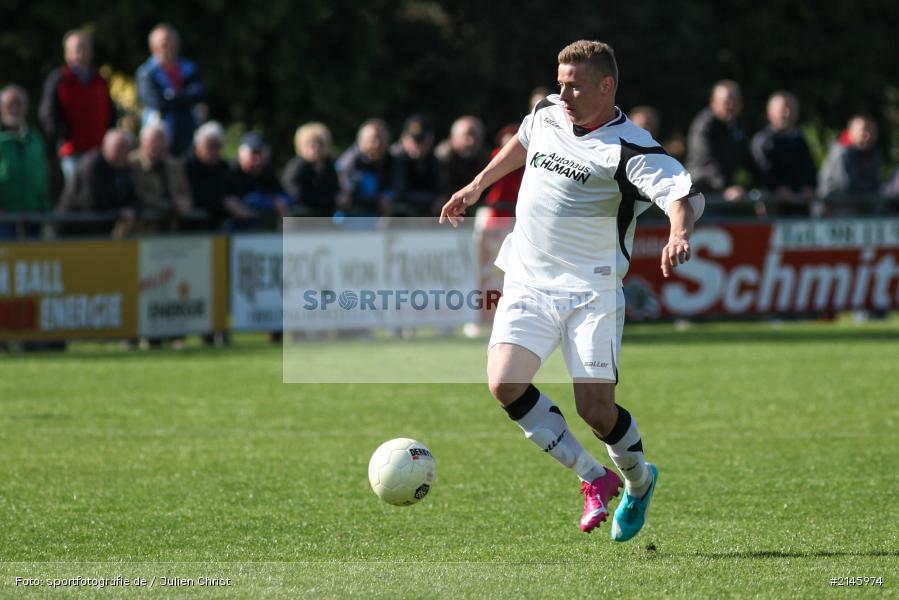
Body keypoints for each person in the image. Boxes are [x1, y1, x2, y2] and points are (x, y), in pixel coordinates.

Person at [439, 40, 704, 542]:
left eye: (575, 86)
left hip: (591, 292)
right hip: (528, 278)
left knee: (595, 410)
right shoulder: (547, 112)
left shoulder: (630, 148)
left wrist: (678, 233)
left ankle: (639, 481)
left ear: (606, 86)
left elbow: (681, 195)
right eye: (560, 83)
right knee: (504, 383)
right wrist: (476, 186)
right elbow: (523, 141)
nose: (563, 95)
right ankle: (593, 477)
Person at [39, 30, 116, 184]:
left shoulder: (99, 80)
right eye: (77, 49)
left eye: (85, 48)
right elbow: (47, 113)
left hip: (98, 150)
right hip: (72, 151)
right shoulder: (59, 79)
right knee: (77, 190)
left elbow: (110, 111)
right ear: (67, 53)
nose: (81, 53)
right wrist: (62, 135)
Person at [136, 24, 205, 156]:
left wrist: (171, 96)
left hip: (187, 132)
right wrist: (182, 97)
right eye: (164, 44)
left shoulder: (190, 68)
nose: (169, 48)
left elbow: (198, 93)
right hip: (158, 137)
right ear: (153, 47)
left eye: (173, 43)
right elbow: (155, 101)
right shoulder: (146, 72)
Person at [57, 128, 138, 237]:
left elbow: (133, 197)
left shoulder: (124, 168)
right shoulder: (92, 165)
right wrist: (119, 212)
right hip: (72, 232)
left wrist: (132, 209)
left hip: (99, 232)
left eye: (126, 148)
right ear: (105, 146)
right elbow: (91, 202)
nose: (123, 152)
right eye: (118, 147)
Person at [750, 92, 817, 216]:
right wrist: (777, 188)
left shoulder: (800, 139)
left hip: (800, 206)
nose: (787, 113)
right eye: (783, 109)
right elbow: (761, 171)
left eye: (791, 109)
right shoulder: (763, 140)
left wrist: (809, 187)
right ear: (770, 112)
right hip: (773, 207)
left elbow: (810, 168)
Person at [0, 85, 51, 239]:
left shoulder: (35, 139)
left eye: (19, 104)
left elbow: (43, 175)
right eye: (10, 104)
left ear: (26, 108)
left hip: (33, 218)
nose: (14, 109)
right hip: (4, 219)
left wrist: (44, 208)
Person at [686, 80, 749, 202]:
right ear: (714, 102)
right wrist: (725, 187)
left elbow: (747, 159)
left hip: (728, 193)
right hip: (701, 193)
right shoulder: (704, 125)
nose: (731, 105)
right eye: (727, 101)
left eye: (736, 101)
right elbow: (705, 161)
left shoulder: (738, 126)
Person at [130, 122, 193, 232]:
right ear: (142, 142)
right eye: (153, 141)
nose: (157, 144)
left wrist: (185, 202)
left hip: (171, 228)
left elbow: (186, 192)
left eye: (161, 140)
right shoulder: (132, 164)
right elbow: (138, 195)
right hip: (141, 228)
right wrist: (169, 206)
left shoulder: (175, 164)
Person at [818, 115, 881, 214]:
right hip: (835, 213)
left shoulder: (871, 154)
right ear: (851, 131)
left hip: (856, 211)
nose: (868, 136)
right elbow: (846, 186)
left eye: (872, 131)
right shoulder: (842, 152)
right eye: (864, 130)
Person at [228, 132, 292, 229]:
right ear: (242, 153)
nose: (258, 160)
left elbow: (282, 197)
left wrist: (278, 202)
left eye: (261, 154)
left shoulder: (267, 171)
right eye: (254, 154)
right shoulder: (231, 171)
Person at [336, 119, 394, 220]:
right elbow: (344, 194)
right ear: (360, 141)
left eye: (381, 139)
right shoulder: (348, 163)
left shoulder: (393, 161)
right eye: (372, 140)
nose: (377, 145)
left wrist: (389, 197)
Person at [281, 122, 339, 218]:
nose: (316, 148)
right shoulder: (296, 167)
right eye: (310, 144)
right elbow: (296, 195)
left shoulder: (329, 165)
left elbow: (334, 189)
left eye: (320, 144)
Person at [184, 121, 234, 230]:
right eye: (210, 146)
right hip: (188, 230)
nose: (214, 151)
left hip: (217, 228)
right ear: (198, 146)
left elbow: (231, 193)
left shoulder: (224, 167)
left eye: (218, 146)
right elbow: (195, 197)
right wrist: (223, 203)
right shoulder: (185, 165)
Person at [390, 114, 440, 217]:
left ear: (431, 139)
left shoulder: (434, 160)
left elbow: (440, 190)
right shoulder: (394, 159)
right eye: (415, 140)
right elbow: (402, 193)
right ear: (403, 138)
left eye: (422, 140)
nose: (418, 145)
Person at [436, 116, 491, 205]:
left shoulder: (485, 156)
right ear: (453, 137)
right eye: (467, 136)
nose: (472, 142)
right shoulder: (442, 157)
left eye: (477, 137)